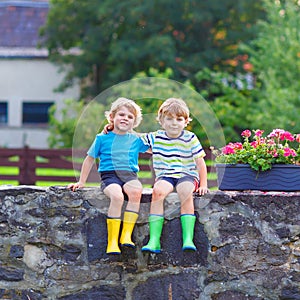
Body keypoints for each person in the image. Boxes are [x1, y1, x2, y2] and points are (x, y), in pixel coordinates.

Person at [68, 97, 149, 255]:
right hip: (109, 176)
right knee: (117, 197)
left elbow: (156, 148)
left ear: (134, 123)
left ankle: (126, 235)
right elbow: (89, 159)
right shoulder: (102, 138)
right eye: (121, 114)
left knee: (135, 191)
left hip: (130, 175)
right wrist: (81, 181)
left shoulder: (136, 139)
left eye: (130, 117)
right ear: (112, 117)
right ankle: (112, 242)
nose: (125, 118)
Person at [141, 98, 209, 253]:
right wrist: (111, 130)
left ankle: (188, 239)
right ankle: (154, 240)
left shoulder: (190, 138)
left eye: (179, 119)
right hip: (166, 175)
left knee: (185, 191)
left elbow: (200, 163)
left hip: (187, 175)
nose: (174, 123)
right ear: (161, 121)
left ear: (185, 122)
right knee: (157, 192)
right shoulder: (155, 137)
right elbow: (135, 143)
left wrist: (203, 184)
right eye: (169, 119)